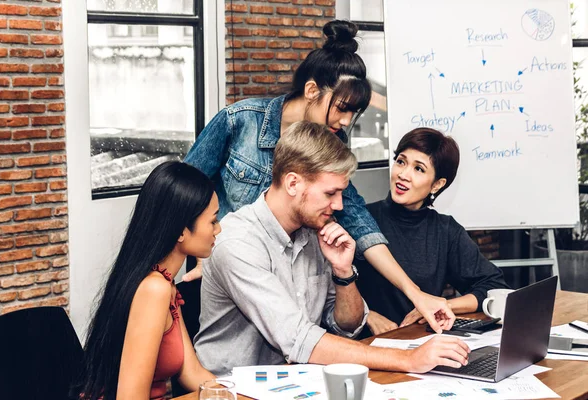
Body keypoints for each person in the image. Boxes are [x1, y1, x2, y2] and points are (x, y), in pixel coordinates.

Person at [184, 19, 454, 333]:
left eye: (354, 112)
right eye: (341, 107)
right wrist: (204, 248)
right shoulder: (239, 122)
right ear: (312, 90)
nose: (344, 121)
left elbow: (358, 221)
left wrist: (415, 293)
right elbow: (183, 191)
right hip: (228, 281)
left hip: (289, 291)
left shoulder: (332, 144)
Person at [194, 121, 470, 376]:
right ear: (293, 183)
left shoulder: (316, 230)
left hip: (296, 382)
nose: (339, 205)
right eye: (330, 193)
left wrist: (343, 273)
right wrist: (407, 360)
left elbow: (348, 326)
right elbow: (298, 339)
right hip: (228, 389)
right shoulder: (238, 242)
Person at [77, 162, 218, 400]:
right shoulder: (154, 289)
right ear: (182, 231)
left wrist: (241, 393)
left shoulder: (164, 283)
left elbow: (191, 372)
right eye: (213, 221)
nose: (218, 229)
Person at [355, 128, 510, 337]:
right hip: (364, 345)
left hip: (420, 344)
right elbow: (329, 288)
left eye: (419, 169)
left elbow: (492, 286)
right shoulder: (361, 219)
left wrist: (438, 305)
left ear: (437, 184)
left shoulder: (445, 231)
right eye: (401, 161)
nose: (403, 174)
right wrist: (368, 315)